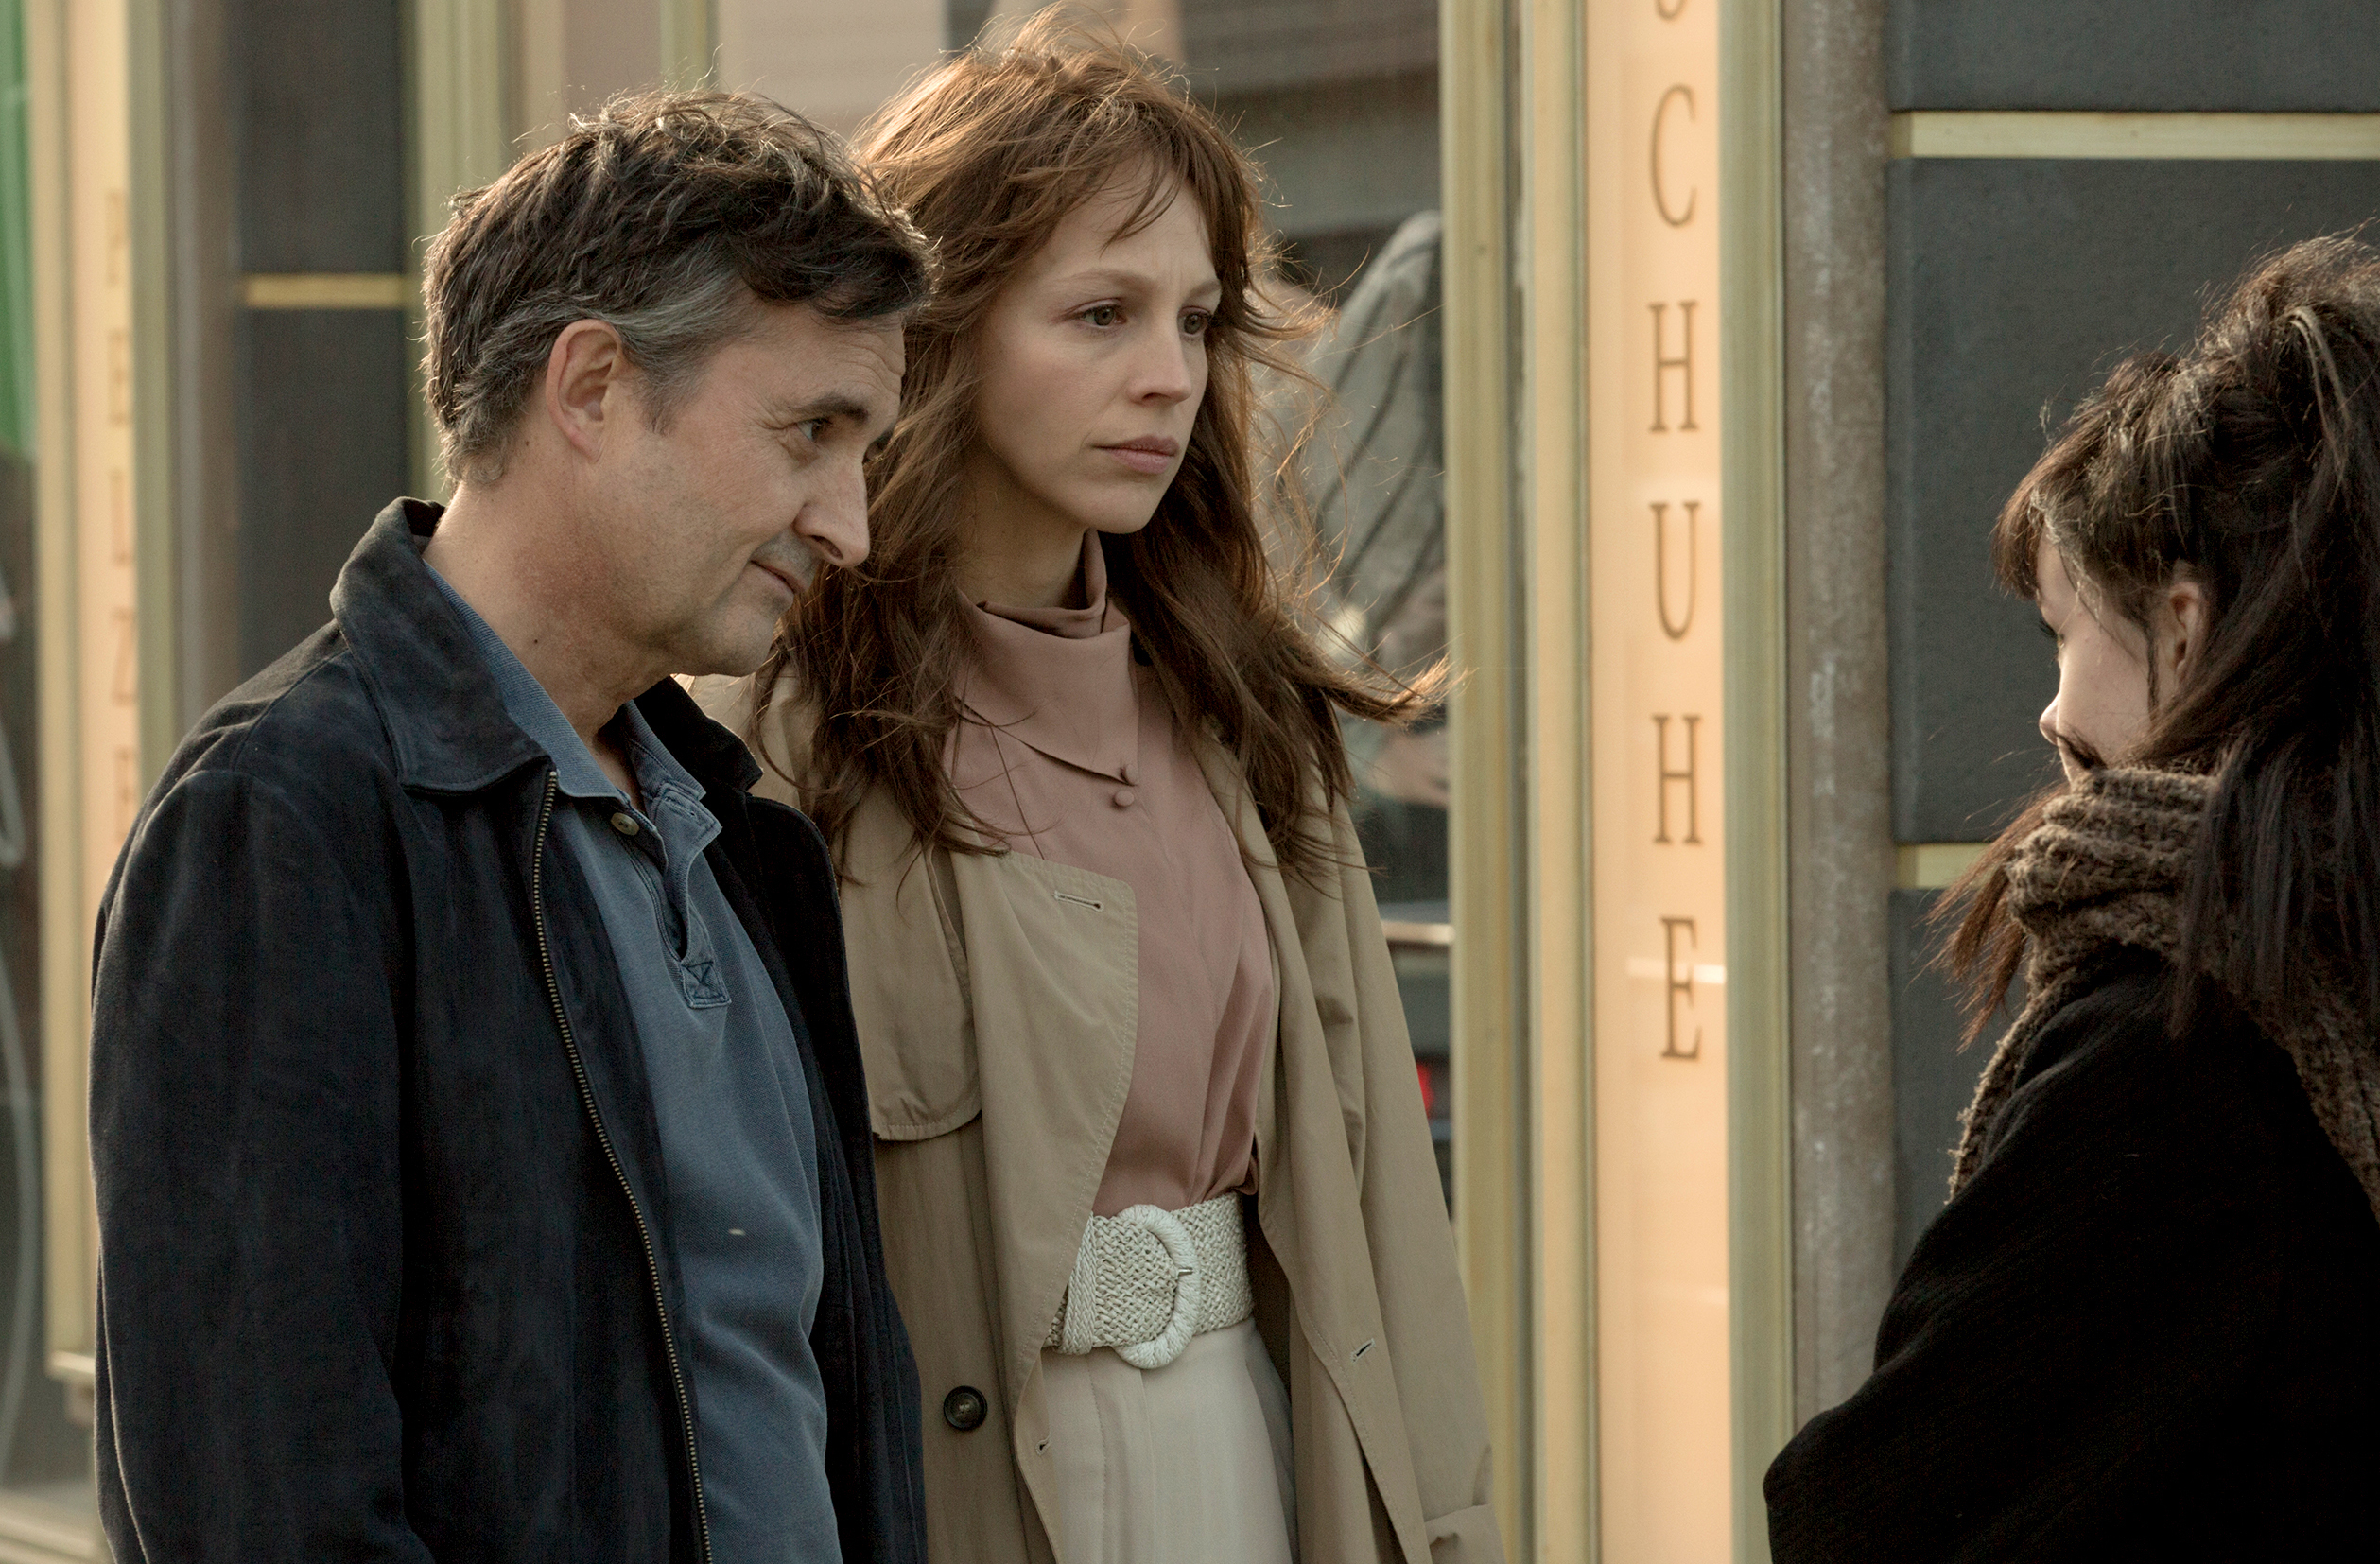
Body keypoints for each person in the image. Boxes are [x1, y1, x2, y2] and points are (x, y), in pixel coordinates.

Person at [1763, 237, 2380, 1563]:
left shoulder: (2177, 1055)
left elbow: (1864, 1518)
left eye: (2064, 633)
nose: (2048, 713)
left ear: (2185, 624)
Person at [89, 93, 934, 1562]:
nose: (849, 525)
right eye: (811, 431)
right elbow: (258, 1502)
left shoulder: (754, 852)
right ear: (592, 386)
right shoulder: (280, 823)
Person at [692, 24, 1499, 1564]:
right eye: (1099, 314)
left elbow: (1381, 1219)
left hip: (1244, 1451)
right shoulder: (772, 736)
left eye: (1194, 321)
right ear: (939, 328)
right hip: (944, 1481)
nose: (1167, 376)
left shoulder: (1245, 720)